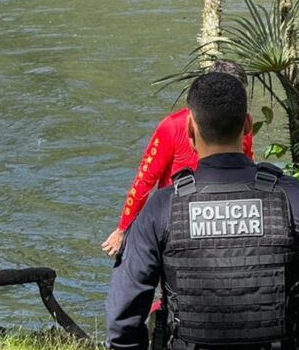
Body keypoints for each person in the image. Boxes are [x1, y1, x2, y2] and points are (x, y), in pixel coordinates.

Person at [105, 72, 299, 350]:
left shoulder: (162, 208)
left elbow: (123, 318)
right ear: (248, 125)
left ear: (189, 129)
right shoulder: (295, 198)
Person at [102, 61, 254, 257]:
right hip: (178, 218)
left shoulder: (240, 125)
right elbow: (145, 180)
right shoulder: (172, 127)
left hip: (223, 218)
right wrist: (123, 229)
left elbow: (248, 171)